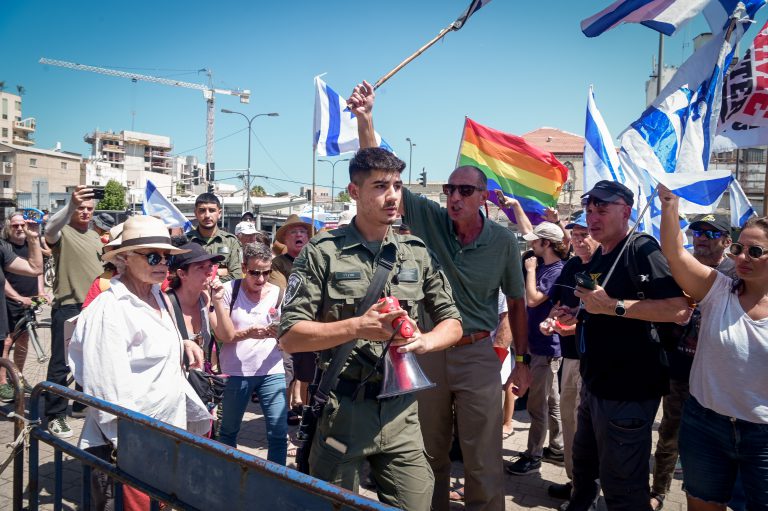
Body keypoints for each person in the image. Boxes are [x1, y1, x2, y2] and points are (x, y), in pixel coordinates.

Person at [351, 80, 528, 511]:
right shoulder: (431, 221)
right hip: (427, 351)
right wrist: (366, 118)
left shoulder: (504, 241)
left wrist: (523, 363)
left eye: (465, 191)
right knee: (427, 454)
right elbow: (382, 176)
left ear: (483, 198)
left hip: (478, 355)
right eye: (450, 190)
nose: (454, 197)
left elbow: (518, 303)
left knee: (483, 458)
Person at [279, 147, 463, 509]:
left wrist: (424, 342)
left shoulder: (415, 251)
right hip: (343, 409)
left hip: (402, 411)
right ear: (354, 192)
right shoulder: (323, 252)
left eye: (396, 185)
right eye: (380, 186)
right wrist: (357, 327)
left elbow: (453, 322)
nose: (392, 195)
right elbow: (289, 336)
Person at [554, 181, 689, 511]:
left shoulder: (641, 249)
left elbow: (679, 309)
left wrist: (614, 306)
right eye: (589, 210)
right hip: (595, 385)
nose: (593, 217)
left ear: (626, 211)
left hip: (628, 391)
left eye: (602, 209)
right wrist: (577, 313)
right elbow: (598, 306)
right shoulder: (601, 254)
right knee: (584, 473)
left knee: (623, 488)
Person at [67, 215, 210, 511]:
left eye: (167, 257)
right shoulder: (110, 310)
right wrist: (137, 451)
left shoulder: (158, 295)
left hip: (165, 439)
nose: (162, 264)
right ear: (125, 258)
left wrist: (180, 342)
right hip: (131, 451)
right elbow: (106, 395)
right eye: (153, 256)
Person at [658, 187, 768, 510]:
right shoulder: (718, 289)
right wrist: (670, 204)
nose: (742, 257)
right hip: (705, 425)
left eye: (755, 251)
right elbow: (675, 253)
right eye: (739, 248)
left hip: (762, 437)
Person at [650, 213, 736, 510]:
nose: (700, 237)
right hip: (678, 368)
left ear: (727, 241)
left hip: (718, 377)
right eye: (697, 231)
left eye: (710, 234)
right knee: (669, 434)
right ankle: (658, 492)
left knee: (714, 443)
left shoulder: (736, 275)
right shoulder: (679, 271)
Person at [545, 213, 599, 503]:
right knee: (570, 422)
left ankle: (588, 491)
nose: (578, 239)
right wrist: (556, 317)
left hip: (596, 360)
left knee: (587, 428)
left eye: (584, 233)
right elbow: (560, 304)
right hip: (570, 357)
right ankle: (576, 481)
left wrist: (579, 323)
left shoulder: (609, 264)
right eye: (574, 234)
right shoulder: (573, 266)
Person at [218, 242, 289, 464]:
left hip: (272, 369)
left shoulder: (278, 294)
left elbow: (288, 328)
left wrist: (281, 332)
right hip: (235, 371)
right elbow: (222, 334)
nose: (260, 279)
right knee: (229, 430)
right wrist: (248, 333)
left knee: (278, 432)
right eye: (254, 272)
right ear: (243, 268)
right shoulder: (229, 290)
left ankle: (276, 480)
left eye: (266, 273)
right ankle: (228, 474)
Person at [44, 185, 104, 438]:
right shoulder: (63, 233)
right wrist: (70, 204)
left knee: (90, 360)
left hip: (93, 307)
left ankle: (80, 405)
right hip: (68, 307)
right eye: (81, 208)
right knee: (61, 365)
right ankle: (54, 415)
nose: (85, 212)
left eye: (89, 209)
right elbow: (49, 229)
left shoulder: (95, 237)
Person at [507, 221, 567, 475]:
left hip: (546, 348)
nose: (531, 245)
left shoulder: (555, 270)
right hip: (539, 345)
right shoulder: (545, 266)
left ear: (547, 243)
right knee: (552, 401)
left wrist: (531, 270)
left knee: (537, 405)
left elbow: (532, 300)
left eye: (536, 241)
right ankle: (557, 447)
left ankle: (533, 456)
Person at [273, 214, 314, 422]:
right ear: (286, 239)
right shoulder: (278, 263)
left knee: (308, 373)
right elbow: (281, 292)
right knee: (287, 372)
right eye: (293, 232)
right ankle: (284, 412)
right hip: (288, 324)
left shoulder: (315, 259)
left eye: (302, 231)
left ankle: (306, 414)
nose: (299, 235)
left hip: (312, 325)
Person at [0, 212, 45, 401]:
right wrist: (17, 297)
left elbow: (38, 271)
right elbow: (2, 280)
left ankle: (16, 377)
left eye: (21, 225)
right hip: (10, 302)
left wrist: (41, 292)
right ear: (8, 226)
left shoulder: (30, 246)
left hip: (28, 300)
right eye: (15, 225)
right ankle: (3, 382)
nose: (19, 228)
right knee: (6, 342)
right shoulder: (5, 247)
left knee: (23, 341)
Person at [187, 193, 242, 282]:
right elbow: (178, 273)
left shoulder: (231, 242)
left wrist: (213, 282)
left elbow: (237, 275)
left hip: (221, 293)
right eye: (202, 210)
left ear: (219, 213)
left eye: (212, 210)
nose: (207, 215)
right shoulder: (186, 241)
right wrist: (221, 272)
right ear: (196, 213)